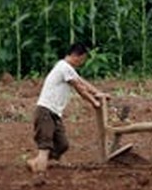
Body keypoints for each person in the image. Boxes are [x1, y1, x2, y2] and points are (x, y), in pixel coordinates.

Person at [27, 43, 109, 175]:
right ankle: (40, 176)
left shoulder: (68, 68)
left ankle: (34, 163)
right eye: (83, 59)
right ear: (77, 56)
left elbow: (82, 82)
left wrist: (99, 93)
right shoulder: (63, 67)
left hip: (55, 113)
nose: (82, 63)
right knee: (45, 147)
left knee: (62, 145)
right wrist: (94, 102)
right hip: (45, 111)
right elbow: (79, 88)